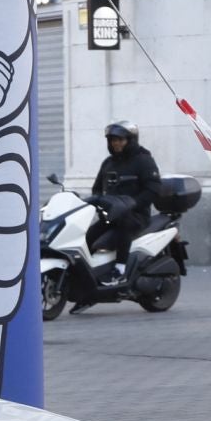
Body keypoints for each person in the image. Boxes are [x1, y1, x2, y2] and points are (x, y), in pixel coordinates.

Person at [78, 119, 162, 312]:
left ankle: (120, 270)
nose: (116, 143)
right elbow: (97, 188)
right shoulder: (108, 163)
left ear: (130, 140)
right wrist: (95, 201)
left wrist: (133, 203)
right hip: (111, 215)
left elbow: (154, 188)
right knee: (88, 236)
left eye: (120, 140)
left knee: (124, 224)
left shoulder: (143, 160)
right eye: (113, 140)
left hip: (136, 216)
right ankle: (87, 283)